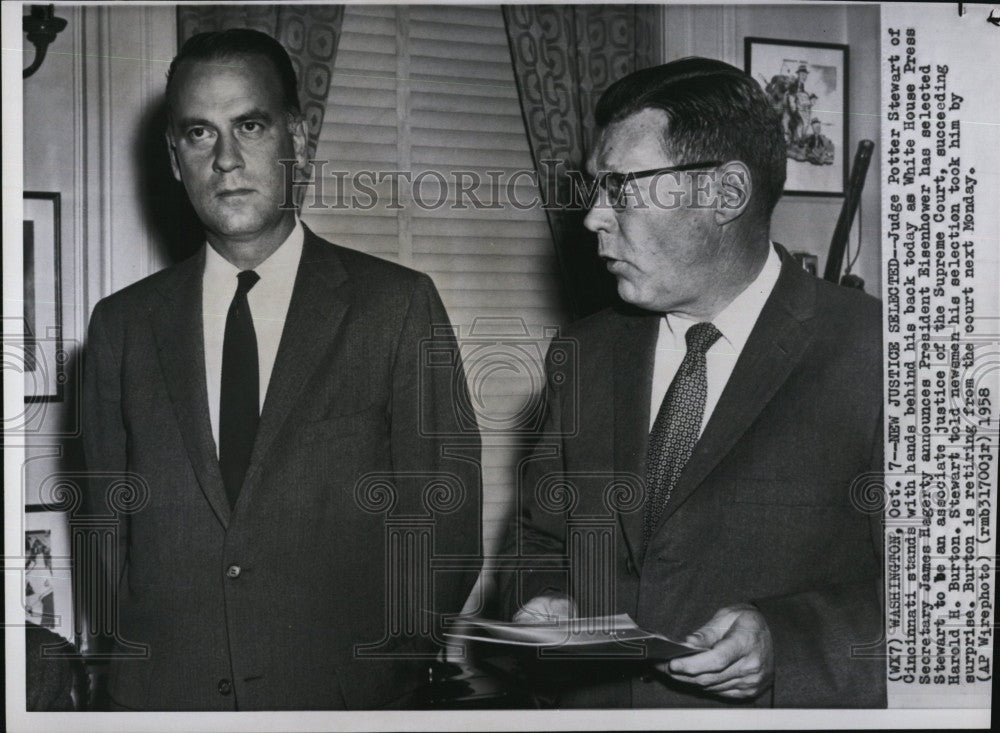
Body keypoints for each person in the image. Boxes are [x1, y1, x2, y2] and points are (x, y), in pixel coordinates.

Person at [82, 28, 481, 711]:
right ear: (175, 159)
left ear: (295, 134)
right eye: (199, 134)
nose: (227, 159)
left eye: (251, 125)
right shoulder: (121, 325)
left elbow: (443, 524)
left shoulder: (395, 305)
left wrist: (387, 676)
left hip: (344, 701)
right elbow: (106, 534)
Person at [500, 57, 884, 708]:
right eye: (597, 188)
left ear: (725, 194)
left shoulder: (877, 352)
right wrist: (543, 599)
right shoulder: (585, 352)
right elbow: (535, 538)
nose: (594, 216)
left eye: (621, 187)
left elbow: (948, 597)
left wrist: (788, 642)